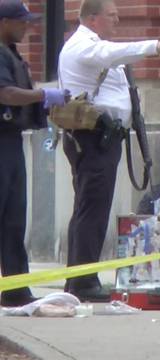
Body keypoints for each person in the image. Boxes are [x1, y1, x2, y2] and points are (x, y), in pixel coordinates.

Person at [59, 0, 160, 302]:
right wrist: (155, 45)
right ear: (93, 18)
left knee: (89, 208)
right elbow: (111, 54)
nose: (117, 21)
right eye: (112, 16)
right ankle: (83, 281)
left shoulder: (95, 45)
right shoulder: (84, 47)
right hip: (92, 138)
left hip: (101, 138)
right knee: (92, 209)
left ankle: (79, 278)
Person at [0, 0, 69, 307]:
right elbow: (5, 93)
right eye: (22, 21)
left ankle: (16, 288)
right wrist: (42, 94)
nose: (27, 26)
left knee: (13, 219)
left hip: (12, 141)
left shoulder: (11, 53)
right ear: (3, 22)